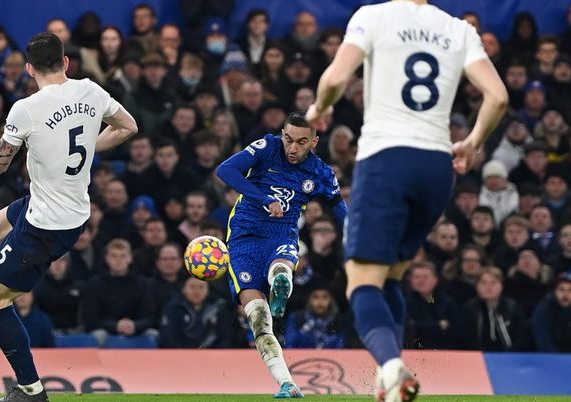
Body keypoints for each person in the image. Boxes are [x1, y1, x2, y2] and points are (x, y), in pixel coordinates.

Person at [306, 1, 508, 400]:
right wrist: (473, 142)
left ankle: (392, 366)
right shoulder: (459, 29)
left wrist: (319, 108)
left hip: (387, 158)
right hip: (437, 164)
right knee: (392, 275)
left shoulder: (373, 16)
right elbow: (498, 96)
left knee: (362, 280)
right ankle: (391, 377)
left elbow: (335, 76)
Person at [0, 32, 137, 402]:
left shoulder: (26, 109)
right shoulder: (91, 91)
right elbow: (128, 127)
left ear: (29, 69)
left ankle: (31, 391)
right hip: (69, 210)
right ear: (66, 63)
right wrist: (90, 146)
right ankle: (2, 312)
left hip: (45, 225)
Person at [216, 111, 347, 398]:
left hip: (281, 234)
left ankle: (281, 283)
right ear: (282, 135)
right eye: (288, 139)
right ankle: (287, 384)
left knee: (282, 264)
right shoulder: (267, 147)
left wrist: (358, 239)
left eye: (301, 142)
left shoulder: (321, 173)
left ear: (314, 141)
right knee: (258, 317)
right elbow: (225, 170)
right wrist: (264, 198)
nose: (292, 148)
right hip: (243, 239)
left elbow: (341, 212)